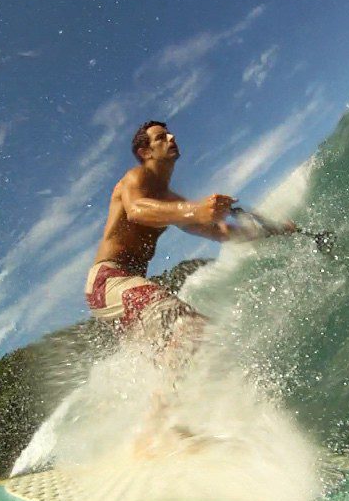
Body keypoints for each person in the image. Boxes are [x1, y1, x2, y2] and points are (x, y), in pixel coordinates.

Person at [85, 120, 297, 360]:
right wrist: (195, 210)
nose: (172, 137)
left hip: (127, 287)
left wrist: (273, 231)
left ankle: (170, 397)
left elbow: (221, 232)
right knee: (188, 325)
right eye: (161, 138)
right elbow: (136, 210)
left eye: (169, 134)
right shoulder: (136, 177)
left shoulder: (170, 199)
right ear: (145, 152)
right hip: (107, 281)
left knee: (178, 349)